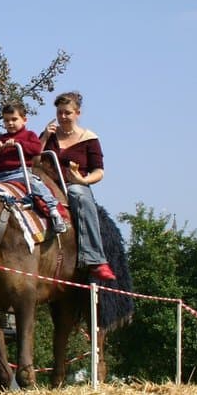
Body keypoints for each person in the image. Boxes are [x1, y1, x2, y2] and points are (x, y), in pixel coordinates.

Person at [40, 91, 116, 281]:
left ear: (77, 113)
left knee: (79, 196)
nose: (62, 117)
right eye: (59, 113)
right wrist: (44, 138)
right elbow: (33, 159)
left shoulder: (89, 139)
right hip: (45, 182)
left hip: (73, 185)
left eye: (67, 112)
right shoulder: (49, 135)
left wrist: (83, 181)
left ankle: (94, 259)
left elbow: (99, 171)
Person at [0, 102, 69, 235]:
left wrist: (19, 143)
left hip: (20, 172)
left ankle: (54, 211)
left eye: (14, 119)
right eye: (6, 120)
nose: (10, 123)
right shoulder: (2, 138)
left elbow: (36, 149)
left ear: (24, 120)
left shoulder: (29, 135)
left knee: (36, 185)